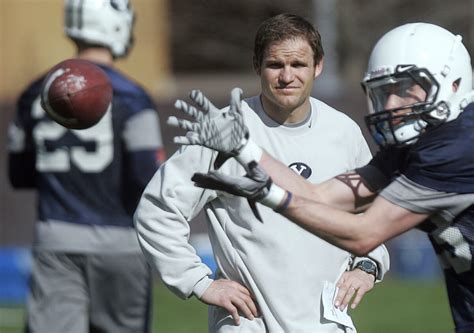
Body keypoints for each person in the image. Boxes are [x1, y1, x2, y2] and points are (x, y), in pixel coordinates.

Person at [174, 22, 474, 333]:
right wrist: (245, 149)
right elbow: (321, 196)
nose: (392, 105)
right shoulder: (420, 144)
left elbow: (363, 234)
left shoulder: (457, 150)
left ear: (453, 84)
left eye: (406, 90)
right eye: (386, 92)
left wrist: (270, 195)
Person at [135, 13, 389, 332]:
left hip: (327, 320)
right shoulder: (224, 131)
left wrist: (368, 264)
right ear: (257, 66)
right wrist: (198, 282)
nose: (287, 76)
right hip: (248, 322)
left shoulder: (344, 132)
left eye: (298, 64)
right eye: (275, 65)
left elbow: (373, 215)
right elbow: (157, 211)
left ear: (318, 66)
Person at [7, 0, 165, 332]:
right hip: (121, 244)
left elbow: (18, 175)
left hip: (56, 240)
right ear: (116, 24)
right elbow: (146, 178)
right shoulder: (133, 98)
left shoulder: (34, 93)